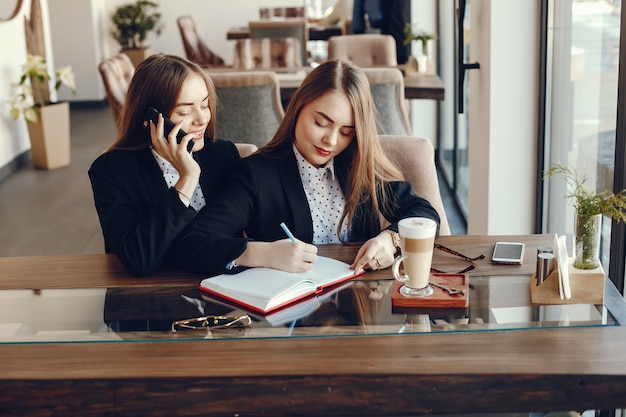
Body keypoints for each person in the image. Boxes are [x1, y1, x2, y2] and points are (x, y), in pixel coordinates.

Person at [169, 59, 440, 276]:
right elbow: (191, 242)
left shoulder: (359, 166)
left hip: (359, 309)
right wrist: (261, 253)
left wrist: (389, 240)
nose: (331, 141)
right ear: (298, 108)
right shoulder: (258, 174)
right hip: (289, 321)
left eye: (346, 132)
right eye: (321, 123)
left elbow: (425, 214)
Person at [88, 54, 242, 277]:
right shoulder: (111, 171)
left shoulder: (224, 155)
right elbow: (139, 259)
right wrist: (187, 179)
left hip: (224, 289)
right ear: (150, 118)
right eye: (185, 111)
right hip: (149, 299)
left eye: (205, 104)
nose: (201, 119)